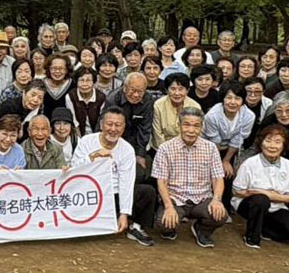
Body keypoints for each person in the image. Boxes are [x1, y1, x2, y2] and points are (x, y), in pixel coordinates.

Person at [71, 106, 157, 246]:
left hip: (114, 194)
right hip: (90, 194)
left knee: (147, 191)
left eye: (118, 125)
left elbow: (126, 182)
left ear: (123, 127)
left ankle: (135, 227)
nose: (113, 129)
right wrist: (93, 156)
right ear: (101, 124)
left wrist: (124, 214)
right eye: (109, 124)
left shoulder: (127, 149)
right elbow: (74, 172)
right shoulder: (86, 141)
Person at [152, 109, 227, 247]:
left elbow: (218, 178)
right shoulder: (165, 148)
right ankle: (170, 230)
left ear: (201, 127)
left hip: (202, 198)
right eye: (186, 125)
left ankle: (201, 230)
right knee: (163, 223)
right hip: (175, 198)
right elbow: (161, 181)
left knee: (220, 215)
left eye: (196, 125)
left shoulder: (210, 148)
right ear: (179, 125)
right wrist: (168, 206)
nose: (191, 130)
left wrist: (217, 200)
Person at [232, 124, 289, 249]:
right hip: (249, 204)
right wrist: (259, 194)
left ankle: (264, 230)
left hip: (276, 207)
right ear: (261, 143)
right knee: (261, 200)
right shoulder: (250, 163)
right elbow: (237, 191)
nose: (272, 146)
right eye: (268, 141)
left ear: (284, 145)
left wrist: (269, 194)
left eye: (277, 142)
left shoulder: (288, 165)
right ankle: (251, 237)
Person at [152, 73, 200, 150]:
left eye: (181, 89)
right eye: (173, 89)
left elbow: (197, 132)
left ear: (187, 90)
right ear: (167, 90)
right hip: (162, 148)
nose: (177, 93)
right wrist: (166, 151)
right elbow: (158, 134)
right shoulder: (159, 105)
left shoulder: (195, 106)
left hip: (188, 147)